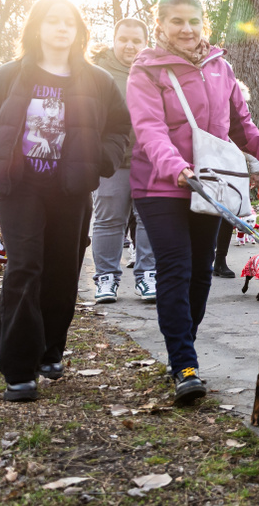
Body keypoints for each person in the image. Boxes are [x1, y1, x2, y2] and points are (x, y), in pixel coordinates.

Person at [127, 0, 259, 405]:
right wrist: (175, 167)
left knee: (201, 271)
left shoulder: (221, 68)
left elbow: (243, 127)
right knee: (176, 268)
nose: (186, 29)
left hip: (212, 183)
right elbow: (149, 129)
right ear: (160, 24)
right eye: (177, 21)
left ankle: (184, 347)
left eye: (193, 21)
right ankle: (184, 363)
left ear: (205, 24)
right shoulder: (145, 71)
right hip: (161, 185)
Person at [0, 0, 131, 402]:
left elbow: (118, 130)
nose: (61, 28)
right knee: (25, 268)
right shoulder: (7, 75)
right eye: (52, 21)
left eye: (69, 23)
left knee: (62, 271)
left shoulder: (96, 80)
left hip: (71, 188)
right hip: (19, 187)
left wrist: (99, 162)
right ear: (37, 28)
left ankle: (49, 350)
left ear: (78, 31)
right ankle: (19, 368)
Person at [89, 18, 156, 304]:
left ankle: (148, 275)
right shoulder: (97, 73)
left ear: (145, 43)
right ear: (114, 41)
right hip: (112, 161)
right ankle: (106, 278)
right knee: (109, 220)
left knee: (149, 220)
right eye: (124, 39)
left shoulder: (156, 71)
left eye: (136, 40)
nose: (129, 46)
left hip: (150, 159)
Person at [213, 82, 259, 278]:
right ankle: (203, 257)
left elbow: (247, 139)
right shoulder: (209, 107)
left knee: (229, 215)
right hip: (206, 166)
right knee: (206, 213)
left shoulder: (240, 111)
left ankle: (220, 260)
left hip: (232, 168)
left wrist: (256, 168)